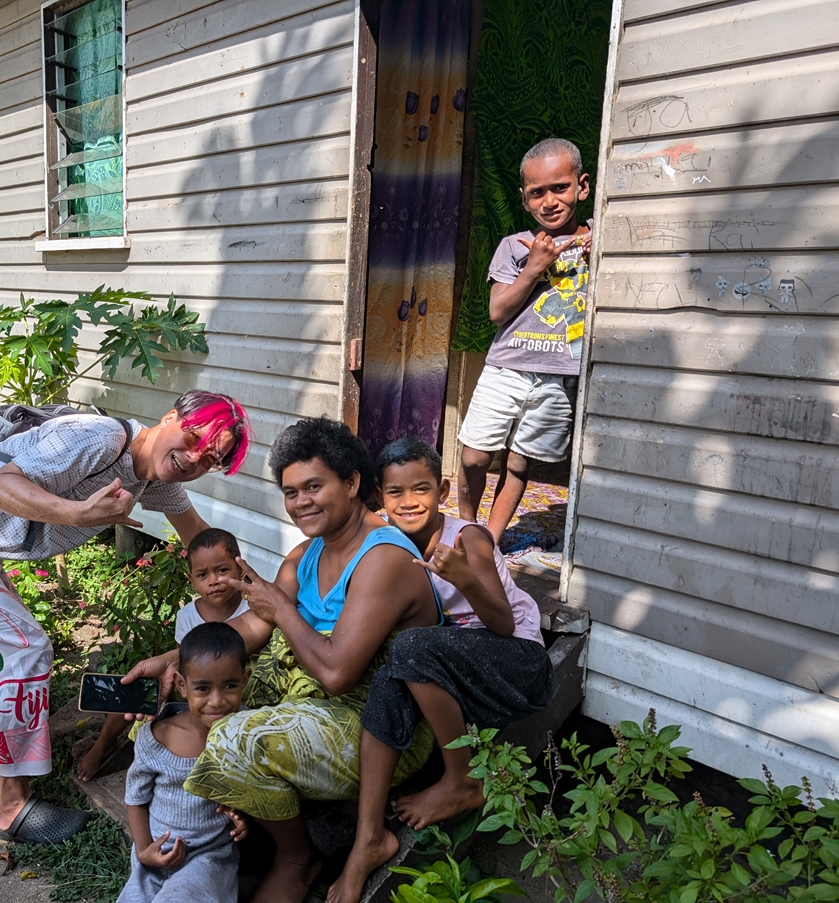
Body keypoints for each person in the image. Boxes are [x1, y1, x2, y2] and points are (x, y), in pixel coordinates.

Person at [0, 391, 251, 845]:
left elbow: (200, 538)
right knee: (22, 649)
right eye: (191, 439)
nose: (193, 459)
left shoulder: (155, 477)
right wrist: (80, 512)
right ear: (169, 418)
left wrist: (262, 591)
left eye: (208, 459)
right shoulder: (99, 438)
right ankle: (12, 810)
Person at [126, 417, 442, 903]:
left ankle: (297, 856)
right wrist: (172, 659)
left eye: (314, 486)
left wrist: (282, 609)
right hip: (302, 701)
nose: (301, 502)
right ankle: (216, 827)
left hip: (373, 725)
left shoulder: (384, 559)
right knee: (183, 708)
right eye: (291, 492)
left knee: (231, 735)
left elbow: (337, 673)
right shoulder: (306, 555)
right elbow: (252, 627)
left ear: (353, 482)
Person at [328, 437, 553, 903]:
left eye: (421, 489)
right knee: (393, 675)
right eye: (396, 493)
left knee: (411, 647)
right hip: (459, 667)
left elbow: (503, 624)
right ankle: (367, 838)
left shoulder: (466, 537)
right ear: (378, 495)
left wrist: (467, 578)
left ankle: (462, 780)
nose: (409, 502)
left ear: (443, 490)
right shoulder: (386, 545)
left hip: (519, 662)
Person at [457, 137, 592, 541]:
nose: (550, 201)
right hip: (506, 367)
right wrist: (534, 266)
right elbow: (498, 312)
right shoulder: (515, 247)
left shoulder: (599, 242)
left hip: (558, 375)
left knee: (520, 462)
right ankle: (466, 528)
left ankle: (490, 540)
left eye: (560, 188)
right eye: (537, 193)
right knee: (475, 455)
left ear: (582, 187)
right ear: (525, 199)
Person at [77, 527, 251, 782]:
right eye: (203, 575)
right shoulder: (187, 616)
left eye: (222, 570)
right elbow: (183, 658)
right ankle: (104, 742)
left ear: (241, 570)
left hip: (229, 687)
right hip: (193, 686)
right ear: (192, 580)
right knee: (136, 688)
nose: (214, 581)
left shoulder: (251, 607)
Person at [117, 622, 251, 903]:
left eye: (230, 686)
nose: (217, 701)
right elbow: (136, 798)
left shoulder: (248, 731)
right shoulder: (157, 737)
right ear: (181, 684)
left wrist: (242, 818)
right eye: (202, 688)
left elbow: (252, 790)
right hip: (157, 850)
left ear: (245, 679)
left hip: (209, 855)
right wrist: (144, 851)